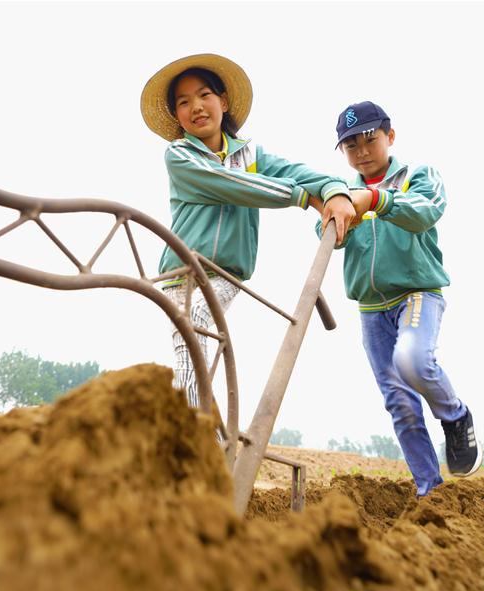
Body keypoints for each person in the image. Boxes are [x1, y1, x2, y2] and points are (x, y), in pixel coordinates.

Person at [140, 54, 355, 408]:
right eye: (183, 102)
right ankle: (205, 443)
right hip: (184, 272)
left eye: (204, 95)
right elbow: (231, 184)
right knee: (191, 342)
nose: (196, 106)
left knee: (198, 341)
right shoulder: (179, 156)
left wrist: (333, 191)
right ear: (178, 116)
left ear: (223, 102)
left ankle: (204, 438)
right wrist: (301, 197)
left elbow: (296, 172)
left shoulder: (250, 154)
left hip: (228, 273)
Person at [322, 101, 481, 496]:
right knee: (400, 403)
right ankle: (430, 489)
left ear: (390, 137)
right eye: (350, 145)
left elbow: (425, 212)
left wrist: (376, 201)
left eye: (369, 140)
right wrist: (333, 214)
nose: (361, 151)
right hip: (371, 309)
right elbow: (326, 236)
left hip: (417, 293)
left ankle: (455, 416)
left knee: (412, 361)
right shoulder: (345, 192)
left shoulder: (416, 176)